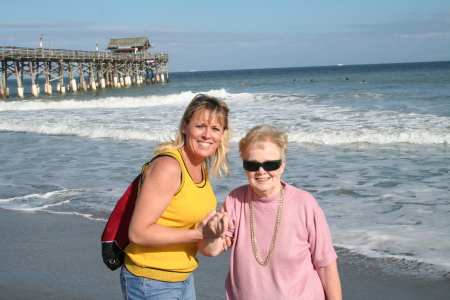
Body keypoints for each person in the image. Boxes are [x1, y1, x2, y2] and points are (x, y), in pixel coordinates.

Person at [200, 125, 342, 300]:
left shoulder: (305, 204)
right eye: (252, 164)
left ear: (282, 165)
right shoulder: (235, 200)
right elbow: (211, 251)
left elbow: (326, 264)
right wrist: (211, 233)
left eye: (270, 164)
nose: (261, 171)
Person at [121, 94, 231, 300]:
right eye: (200, 126)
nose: (207, 135)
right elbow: (139, 233)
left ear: (222, 135)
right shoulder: (169, 166)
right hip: (151, 280)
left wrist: (216, 235)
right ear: (184, 126)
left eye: (215, 129)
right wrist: (200, 234)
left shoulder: (200, 166)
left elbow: (191, 231)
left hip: (183, 278)